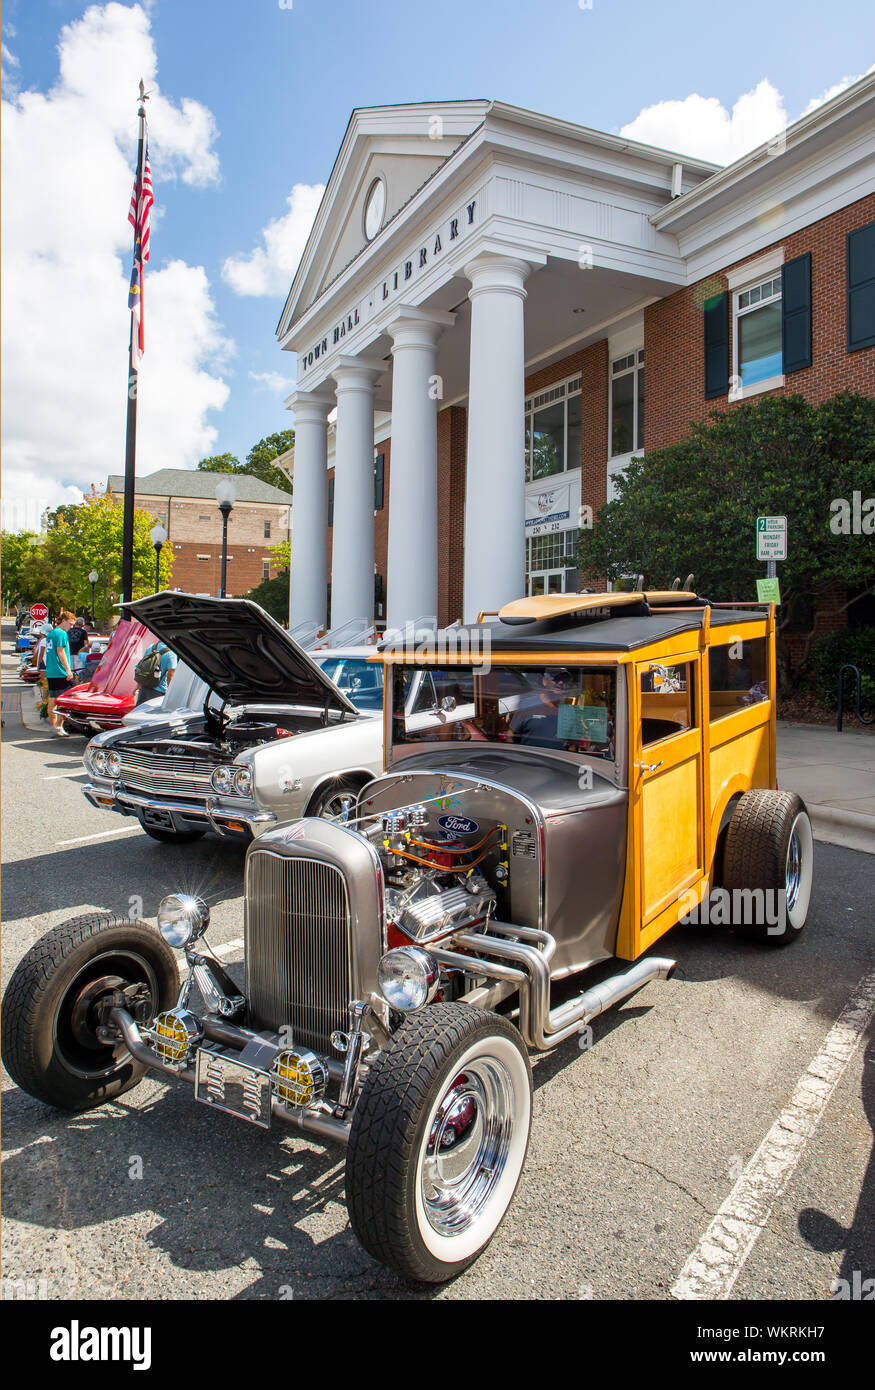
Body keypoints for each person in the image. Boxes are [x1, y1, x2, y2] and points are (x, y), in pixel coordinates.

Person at [44, 610, 76, 736]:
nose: (71, 627)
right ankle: (58, 726)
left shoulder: (51, 634)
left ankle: (55, 726)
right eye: (70, 624)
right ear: (63, 621)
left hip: (51, 670)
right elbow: (60, 651)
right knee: (65, 699)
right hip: (60, 671)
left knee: (53, 698)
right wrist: (68, 669)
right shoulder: (62, 633)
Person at [134, 639, 177, 705]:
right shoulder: (171, 654)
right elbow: (170, 676)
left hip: (143, 688)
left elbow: (142, 668)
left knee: (139, 710)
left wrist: (137, 688)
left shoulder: (151, 647)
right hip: (158, 692)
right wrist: (171, 695)